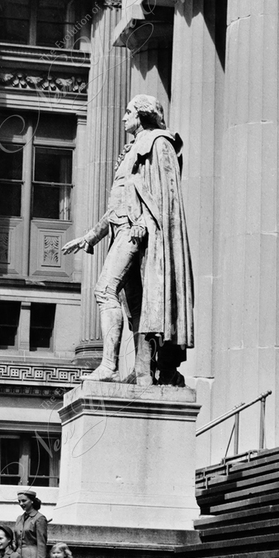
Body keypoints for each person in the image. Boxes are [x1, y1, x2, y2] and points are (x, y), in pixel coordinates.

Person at [63, 93, 194, 386]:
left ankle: (109, 364)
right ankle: (143, 370)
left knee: (104, 290)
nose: (123, 117)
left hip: (138, 233)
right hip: (122, 230)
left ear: (141, 115)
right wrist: (91, 236)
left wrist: (145, 223)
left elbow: (165, 195)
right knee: (137, 308)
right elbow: (116, 205)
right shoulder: (132, 150)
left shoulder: (159, 143)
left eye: (127, 111)